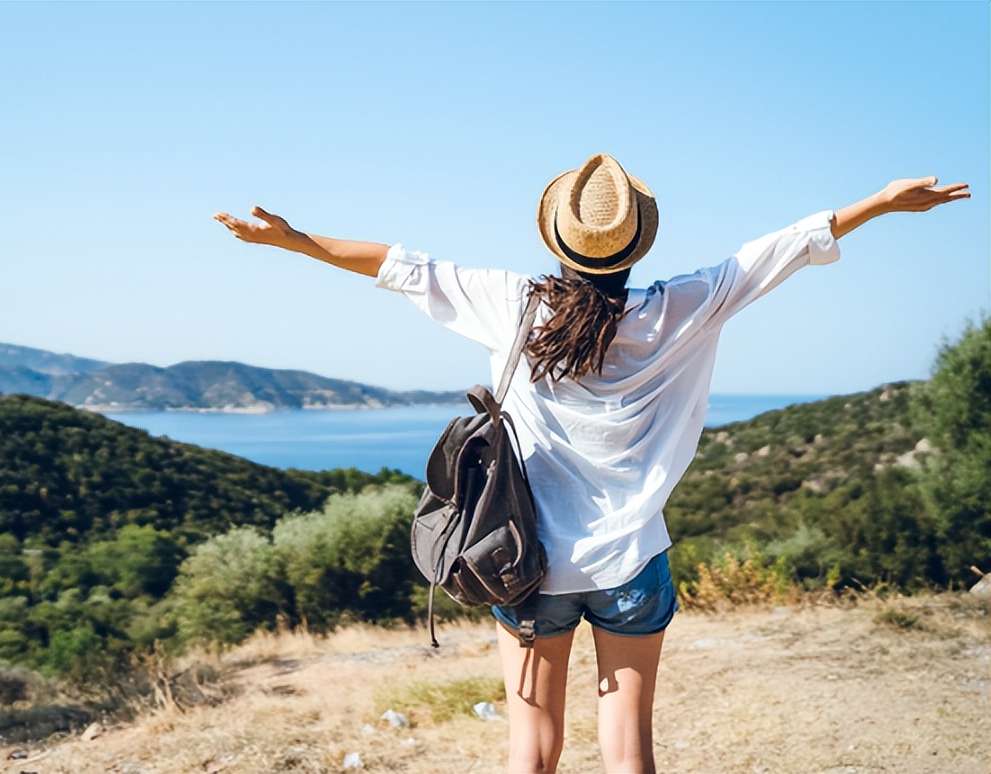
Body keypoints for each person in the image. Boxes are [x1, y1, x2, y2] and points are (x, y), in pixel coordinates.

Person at [214, 155, 968, 774]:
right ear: (635, 244)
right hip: (632, 563)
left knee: (532, 748)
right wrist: (879, 202)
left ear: (558, 241)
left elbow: (400, 267)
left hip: (524, 563)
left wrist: (293, 240)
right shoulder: (684, 306)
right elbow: (781, 248)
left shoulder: (513, 304)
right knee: (628, 747)